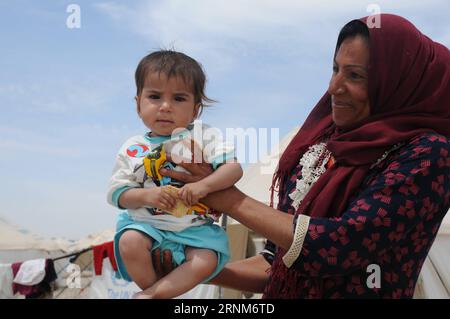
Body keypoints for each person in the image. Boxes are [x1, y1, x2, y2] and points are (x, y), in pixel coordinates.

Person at [155, 14, 450, 298]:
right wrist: (200, 270)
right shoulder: (318, 146)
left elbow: (339, 247)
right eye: (335, 69)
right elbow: (277, 262)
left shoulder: (427, 155)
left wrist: (226, 197)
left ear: (397, 81)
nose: (334, 87)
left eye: (356, 76)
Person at [107, 50, 243, 299]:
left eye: (179, 98)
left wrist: (205, 185)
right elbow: (118, 193)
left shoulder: (204, 135)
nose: (166, 107)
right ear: (138, 104)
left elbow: (233, 169)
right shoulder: (133, 147)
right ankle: (153, 292)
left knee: (206, 260)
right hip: (147, 226)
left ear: (196, 110)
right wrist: (147, 196)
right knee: (129, 242)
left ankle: (152, 295)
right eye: (155, 97)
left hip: (195, 230)